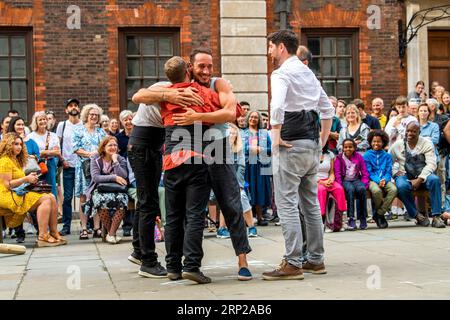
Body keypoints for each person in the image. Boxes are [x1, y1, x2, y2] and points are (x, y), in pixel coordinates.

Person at [133, 49, 253, 282]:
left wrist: (195, 118)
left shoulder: (219, 84)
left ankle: (242, 260)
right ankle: (184, 264)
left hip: (215, 148)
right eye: (201, 66)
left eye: (210, 66)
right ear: (190, 67)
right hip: (190, 152)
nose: (206, 71)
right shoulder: (174, 86)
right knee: (187, 213)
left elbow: (231, 112)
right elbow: (138, 96)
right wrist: (171, 97)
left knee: (230, 202)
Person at [262, 30, 333, 280]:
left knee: (287, 204)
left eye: (270, 47)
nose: (269, 52)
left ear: (281, 47)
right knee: (310, 203)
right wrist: (322, 142)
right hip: (311, 144)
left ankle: (293, 262)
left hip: (290, 143)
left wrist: (275, 135)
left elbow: (277, 105)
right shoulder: (308, 73)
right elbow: (328, 109)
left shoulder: (281, 73)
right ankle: (316, 259)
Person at [0, 133, 66, 247]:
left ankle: (54, 232)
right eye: (16, 144)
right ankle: (43, 235)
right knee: (45, 199)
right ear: (8, 145)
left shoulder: (14, 160)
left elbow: (17, 181)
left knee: (51, 197)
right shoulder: (5, 161)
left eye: (20, 144)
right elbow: (7, 185)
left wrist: (29, 178)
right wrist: (26, 179)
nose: (19, 147)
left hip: (16, 192)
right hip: (6, 195)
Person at [389, 121, 446, 228]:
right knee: (401, 186)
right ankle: (417, 215)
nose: (409, 133)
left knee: (435, 180)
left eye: (413, 131)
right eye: (408, 131)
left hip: (423, 174)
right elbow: (388, 161)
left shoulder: (426, 143)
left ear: (419, 132)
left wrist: (420, 179)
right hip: (404, 174)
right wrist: (394, 172)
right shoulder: (398, 145)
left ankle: (436, 217)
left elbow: (431, 164)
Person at [85, 136, 129, 244]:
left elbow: (124, 175)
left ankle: (110, 234)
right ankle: (112, 234)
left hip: (117, 190)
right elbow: (96, 177)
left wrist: (115, 161)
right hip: (99, 189)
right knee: (100, 201)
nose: (113, 147)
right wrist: (114, 177)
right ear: (103, 147)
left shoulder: (120, 159)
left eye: (115, 145)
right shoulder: (96, 158)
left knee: (123, 200)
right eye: (110, 145)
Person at [72, 104, 107, 240]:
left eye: (96, 115)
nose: (94, 117)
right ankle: (84, 228)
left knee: (96, 196)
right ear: (86, 115)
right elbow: (75, 148)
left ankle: (97, 228)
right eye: (91, 114)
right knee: (84, 198)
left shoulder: (101, 132)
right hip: (83, 168)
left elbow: (106, 147)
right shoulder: (78, 130)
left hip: (98, 168)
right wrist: (90, 154)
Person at [6, 116, 41, 243]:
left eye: (22, 124)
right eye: (17, 124)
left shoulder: (29, 141)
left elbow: (37, 155)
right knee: (19, 203)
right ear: (13, 126)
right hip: (15, 176)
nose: (20, 127)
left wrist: (32, 157)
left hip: (28, 174)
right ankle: (19, 232)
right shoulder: (8, 139)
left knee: (31, 203)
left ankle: (39, 229)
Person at [56, 98, 83, 235]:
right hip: (68, 166)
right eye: (71, 106)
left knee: (84, 196)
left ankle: (86, 225)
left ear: (79, 109)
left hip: (81, 166)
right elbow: (57, 144)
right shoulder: (62, 125)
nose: (73, 107)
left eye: (76, 105)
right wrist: (62, 160)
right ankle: (66, 225)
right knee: (67, 197)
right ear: (66, 110)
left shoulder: (83, 124)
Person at [242, 111, 272, 226]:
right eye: (251, 117)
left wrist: (260, 149)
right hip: (247, 165)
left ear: (259, 120)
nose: (253, 119)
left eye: (255, 117)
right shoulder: (242, 133)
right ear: (248, 118)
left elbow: (270, 150)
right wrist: (251, 148)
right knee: (247, 190)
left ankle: (259, 216)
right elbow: (240, 148)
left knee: (259, 190)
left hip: (260, 165)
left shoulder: (264, 133)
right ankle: (247, 219)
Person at [363, 130, 397, 229]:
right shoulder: (367, 155)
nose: (376, 143)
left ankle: (379, 214)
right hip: (372, 180)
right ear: (370, 142)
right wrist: (378, 181)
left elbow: (388, 171)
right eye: (374, 141)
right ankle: (380, 215)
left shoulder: (387, 156)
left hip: (385, 179)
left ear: (383, 142)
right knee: (376, 191)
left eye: (378, 141)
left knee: (393, 190)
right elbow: (369, 172)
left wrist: (385, 180)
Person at [229, 123, 258, 237]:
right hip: (222, 180)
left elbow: (241, 167)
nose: (232, 135)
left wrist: (239, 184)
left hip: (236, 180)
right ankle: (222, 228)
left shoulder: (239, 148)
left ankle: (251, 227)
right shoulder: (220, 148)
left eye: (234, 133)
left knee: (242, 196)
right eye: (230, 133)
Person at [335, 139, 369, 230]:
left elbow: (365, 172)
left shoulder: (359, 157)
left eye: (350, 147)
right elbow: (337, 173)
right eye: (345, 147)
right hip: (345, 181)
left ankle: (362, 217)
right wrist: (340, 185)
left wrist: (364, 184)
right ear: (343, 148)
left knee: (361, 189)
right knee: (350, 190)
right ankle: (351, 218)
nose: (348, 149)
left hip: (356, 180)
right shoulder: (339, 158)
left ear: (354, 148)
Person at [27, 111, 61, 198]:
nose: (43, 121)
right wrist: (49, 152)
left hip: (50, 164)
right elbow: (29, 154)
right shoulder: (30, 136)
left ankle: (53, 210)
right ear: (36, 122)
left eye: (44, 119)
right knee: (35, 188)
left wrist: (41, 152)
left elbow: (57, 152)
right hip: (35, 165)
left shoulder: (53, 135)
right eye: (40, 120)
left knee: (51, 189)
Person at [316, 144, 347, 233]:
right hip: (315, 180)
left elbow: (332, 172)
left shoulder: (330, 154)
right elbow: (309, 173)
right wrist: (321, 182)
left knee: (339, 189)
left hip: (328, 180)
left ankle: (339, 221)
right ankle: (323, 221)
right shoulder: (310, 154)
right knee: (321, 190)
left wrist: (330, 179)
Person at [115, 110, 134, 236]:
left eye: (130, 119)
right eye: (125, 120)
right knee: (126, 196)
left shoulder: (139, 135)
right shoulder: (118, 138)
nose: (128, 122)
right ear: (121, 122)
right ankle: (127, 225)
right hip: (124, 171)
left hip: (137, 170)